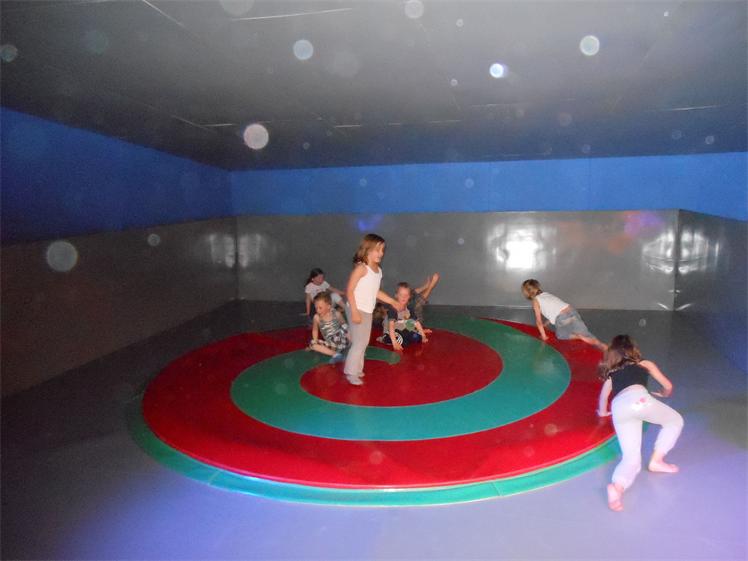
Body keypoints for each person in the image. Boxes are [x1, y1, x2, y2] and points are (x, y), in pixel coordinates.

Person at [597, 335, 684, 512]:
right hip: (639, 400)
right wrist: (664, 393)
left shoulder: (612, 374)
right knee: (674, 421)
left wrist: (603, 412)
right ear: (633, 350)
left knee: (631, 459)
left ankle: (617, 488)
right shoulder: (645, 364)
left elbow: (603, 397)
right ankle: (657, 461)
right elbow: (668, 386)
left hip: (619, 408)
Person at [343, 234, 401, 386]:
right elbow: (349, 290)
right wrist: (354, 311)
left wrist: (392, 301)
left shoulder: (378, 271)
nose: (381, 253)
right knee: (359, 342)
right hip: (356, 308)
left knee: (363, 341)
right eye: (378, 249)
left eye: (383, 250)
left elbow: (376, 291)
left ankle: (357, 369)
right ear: (367, 250)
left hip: (367, 310)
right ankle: (351, 372)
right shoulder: (361, 269)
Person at [521, 279, 605, 349]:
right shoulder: (546, 294)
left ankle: (579, 336)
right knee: (586, 334)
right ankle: (603, 346)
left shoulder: (535, 301)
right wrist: (546, 324)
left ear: (527, 292)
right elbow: (555, 309)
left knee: (560, 335)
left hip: (562, 318)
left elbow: (538, 321)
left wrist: (544, 336)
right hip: (572, 311)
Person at [380, 282, 429, 351]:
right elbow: (391, 326)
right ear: (396, 295)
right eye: (401, 295)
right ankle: (383, 338)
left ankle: (410, 335)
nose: (403, 297)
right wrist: (394, 343)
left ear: (409, 296)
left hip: (403, 330)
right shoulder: (393, 309)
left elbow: (416, 322)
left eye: (406, 295)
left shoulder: (409, 308)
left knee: (416, 337)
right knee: (402, 340)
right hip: (391, 332)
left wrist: (423, 336)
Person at [308, 292, 349, 363]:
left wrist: (351, 340)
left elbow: (345, 327)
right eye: (316, 308)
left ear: (328, 306)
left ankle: (353, 346)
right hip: (331, 344)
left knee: (345, 327)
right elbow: (315, 330)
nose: (318, 310)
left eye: (320, 308)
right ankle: (336, 355)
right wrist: (315, 341)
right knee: (313, 345)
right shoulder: (316, 317)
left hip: (342, 340)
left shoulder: (336, 314)